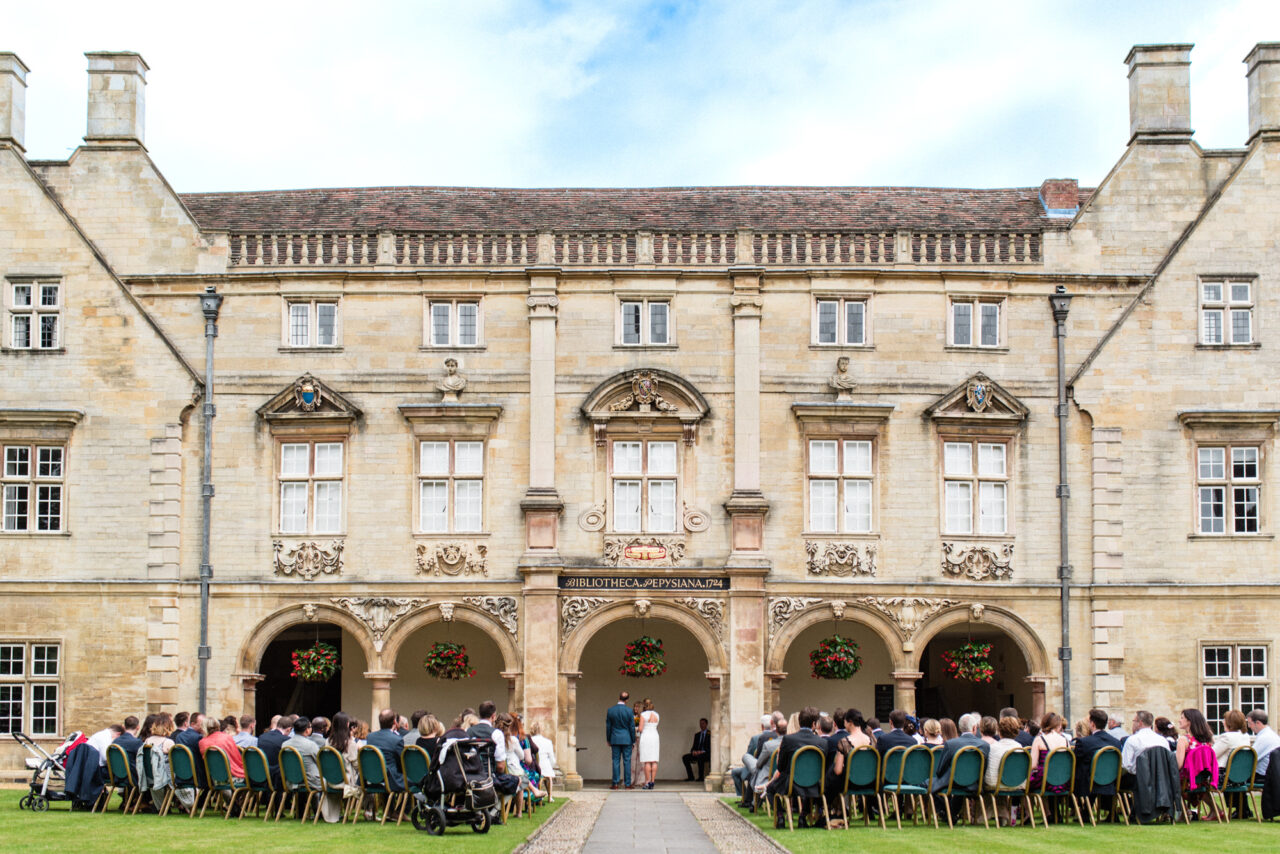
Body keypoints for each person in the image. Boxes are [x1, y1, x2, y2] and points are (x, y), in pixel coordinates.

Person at [764, 707, 827, 828]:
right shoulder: (822, 743)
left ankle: (780, 816)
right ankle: (803, 816)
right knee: (811, 789)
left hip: (791, 784)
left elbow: (781, 767)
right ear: (814, 724)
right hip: (814, 784)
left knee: (770, 789)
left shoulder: (788, 739)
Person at [1176, 708, 1219, 819]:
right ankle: (1216, 810)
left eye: (1182, 718)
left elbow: (1178, 765)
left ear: (1189, 721)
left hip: (1187, 780)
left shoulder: (1184, 740)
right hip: (1202, 779)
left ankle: (1185, 811)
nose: (1179, 720)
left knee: (1167, 781)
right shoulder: (1207, 740)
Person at [930, 712, 989, 793]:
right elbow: (984, 769)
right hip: (974, 785)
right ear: (974, 728)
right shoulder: (984, 745)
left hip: (953, 783)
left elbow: (940, 770)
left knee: (929, 783)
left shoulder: (951, 744)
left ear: (960, 728)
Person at [1072, 708, 1122, 801]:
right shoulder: (1116, 743)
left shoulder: (1084, 742)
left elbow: (1074, 762)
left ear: (1092, 724)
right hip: (1110, 782)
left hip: (1088, 784)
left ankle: (1077, 808)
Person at [320, 711, 360, 823]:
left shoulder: (328, 741)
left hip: (329, 779)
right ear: (347, 725)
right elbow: (356, 765)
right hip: (346, 780)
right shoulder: (350, 743)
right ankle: (369, 812)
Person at [985, 716, 1025, 826]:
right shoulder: (1020, 747)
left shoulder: (994, 747)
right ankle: (1004, 816)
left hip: (996, 784)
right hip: (1017, 784)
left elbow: (990, 772)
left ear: (999, 731)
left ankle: (984, 816)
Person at [1028, 712, 1070, 796]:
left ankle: (1027, 809)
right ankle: (1048, 809)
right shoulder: (1065, 740)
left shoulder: (1039, 740)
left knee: (1025, 784)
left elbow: (1033, 765)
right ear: (1059, 725)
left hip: (1045, 780)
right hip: (1063, 780)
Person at [732, 714, 774, 798]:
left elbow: (750, 754)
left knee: (734, 772)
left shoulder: (755, 739)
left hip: (757, 769)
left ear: (762, 726)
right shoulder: (778, 737)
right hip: (773, 770)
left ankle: (743, 797)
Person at [367, 709, 406, 792]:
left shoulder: (370, 737)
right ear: (395, 722)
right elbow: (402, 763)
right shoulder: (397, 740)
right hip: (391, 779)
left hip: (372, 776)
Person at [1121, 710, 1170, 775]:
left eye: (1134, 721)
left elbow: (1125, 765)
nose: (1133, 724)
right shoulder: (1163, 740)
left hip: (1137, 779)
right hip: (1159, 779)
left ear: (1140, 723)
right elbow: (1167, 761)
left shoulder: (1132, 740)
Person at [606, 690, 637, 790]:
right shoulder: (629, 711)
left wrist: (608, 739)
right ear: (627, 700)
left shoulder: (611, 710)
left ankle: (615, 783)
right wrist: (633, 740)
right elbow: (632, 727)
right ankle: (627, 784)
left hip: (615, 738)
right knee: (627, 761)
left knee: (615, 761)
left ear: (619, 697)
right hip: (627, 738)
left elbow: (608, 726)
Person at [199, 716, 245, 781]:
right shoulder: (227, 737)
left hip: (215, 778)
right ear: (218, 726)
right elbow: (237, 758)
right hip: (233, 776)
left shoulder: (202, 742)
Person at [285, 715, 323, 792]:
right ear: (307, 730)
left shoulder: (285, 745)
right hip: (311, 782)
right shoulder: (310, 745)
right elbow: (320, 761)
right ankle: (319, 804)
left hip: (291, 781)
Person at [257, 714, 291, 790]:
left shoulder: (262, 737)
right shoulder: (286, 740)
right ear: (289, 729)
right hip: (276, 778)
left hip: (260, 774)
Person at [1248, 709, 1280, 780]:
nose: (1249, 726)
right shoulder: (1270, 734)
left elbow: (1250, 758)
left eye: (1250, 723)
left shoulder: (1264, 737)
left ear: (1258, 723)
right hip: (1271, 773)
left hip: (1263, 775)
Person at [635, 699, 661, 789]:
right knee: (654, 760)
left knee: (647, 761)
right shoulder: (657, 714)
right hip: (655, 736)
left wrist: (636, 729)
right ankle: (652, 781)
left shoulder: (643, 715)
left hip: (646, 736)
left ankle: (647, 781)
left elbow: (641, 728)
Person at [529, 720, 558, 799]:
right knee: (549, 775)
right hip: (545, 768)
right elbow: (552, 759)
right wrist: (551, 766)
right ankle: (550, 796)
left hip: (533, 767)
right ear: (542, 730)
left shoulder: (529, 740)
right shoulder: (547, 742)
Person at [682, 716, 709, 783]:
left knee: (700, 757)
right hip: (697, 753)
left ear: (706, 724)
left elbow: (710, 748)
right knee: (685, 757)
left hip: (706, 754)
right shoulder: (697, 735)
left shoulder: (710, 734)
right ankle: (691, 777)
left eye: (703, 723)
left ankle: (701, 777)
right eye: (700, 724)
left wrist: (701, 752)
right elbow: (694, 746)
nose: (701, 725)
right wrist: (693, 751)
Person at [631, 701, 645, 788]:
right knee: (632, 760)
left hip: (642, 739)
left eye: (637, 707)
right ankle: (631, 779)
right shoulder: (632, 716)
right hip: (633, 739)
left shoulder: (644, 717)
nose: (635, 708)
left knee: (642, 760)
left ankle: (641, 780)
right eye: (634, 707)